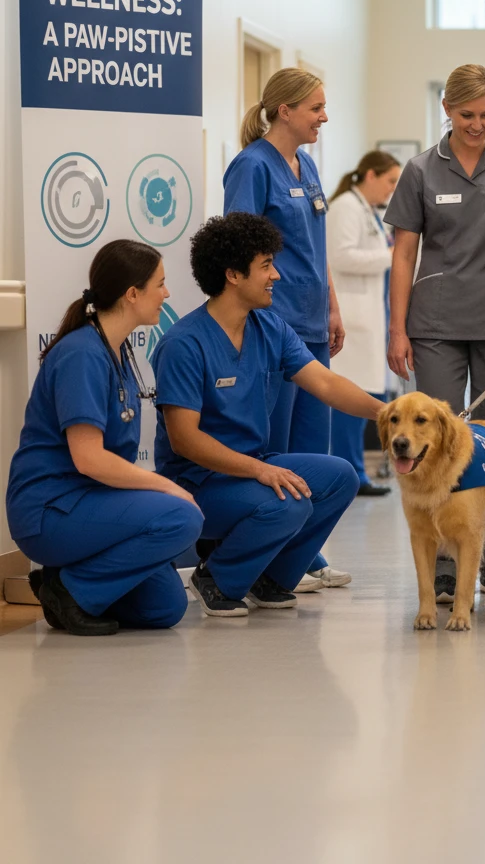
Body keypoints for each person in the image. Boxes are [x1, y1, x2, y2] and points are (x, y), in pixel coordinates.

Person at [151, 213, 385, 618]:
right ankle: (216, 578)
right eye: (266, 266)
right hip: (198, 481)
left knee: (340, 477)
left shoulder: (269, 327)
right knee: (288, 502)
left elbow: (326, 384)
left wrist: (390, 413)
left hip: (252, 469)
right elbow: (184, 440)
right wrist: (260, 472)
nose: (276, 275)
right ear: (233, 275)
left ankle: (270, 576)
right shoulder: (184, 344)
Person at [385, 64, 485, 602]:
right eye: (467, 115)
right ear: (447, 112)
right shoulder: (419, 172)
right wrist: (397, 328)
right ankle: (443, 567)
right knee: (433, 443)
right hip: (434, 324)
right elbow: (404, 253)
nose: (477, 125)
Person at [6, 241, 203, 635]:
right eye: (160, 284)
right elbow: (89, 459)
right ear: (132, 294)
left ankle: (64, 579)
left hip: (88, 502)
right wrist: (166, 487)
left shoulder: (119, 351)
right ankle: (70, 591)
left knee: (166, 607)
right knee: (183, 517)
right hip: (49, 510)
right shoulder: (82, 354)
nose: (167, 294)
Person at [224, 67, 348, 589]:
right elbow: (237, 247)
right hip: (273, 326)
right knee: (274, 447)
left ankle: (304, 555)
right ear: (285, 111)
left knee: (312, 447)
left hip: (312, 322)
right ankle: (267, 558)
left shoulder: (309, 166)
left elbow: (314, 249)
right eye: (316, 107)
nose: (324, 116)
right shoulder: (252, 167)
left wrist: (332, 306)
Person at [327, 151, 400, 496]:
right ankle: (351, 473)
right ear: (370, 175)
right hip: (352, 319)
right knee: (350, 401)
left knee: (365, 397)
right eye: (390, 181)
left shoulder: (365, 210)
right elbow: (339, 256)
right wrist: (391, 256)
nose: (392, 189)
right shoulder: (345, 207)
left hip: (367, 317)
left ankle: (356, 471)